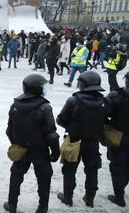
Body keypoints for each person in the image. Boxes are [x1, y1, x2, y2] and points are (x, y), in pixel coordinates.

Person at [3, 74, 60, 213]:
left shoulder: (15, 105)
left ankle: (12, 204)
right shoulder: (44, 107)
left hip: (21, 148)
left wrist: (16, 143)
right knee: (44, 177)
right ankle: (43, 206)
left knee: (16, 175)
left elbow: (9, 130)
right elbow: (51, 134)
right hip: (40, 149)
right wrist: (55, 152)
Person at [56, 71, 109, 208]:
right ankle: (90, 198)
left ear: (83, 84)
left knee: (69, 169)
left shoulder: (73, 100)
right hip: (93, 141)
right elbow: (106, 119)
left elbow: (60, 119)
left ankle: (68, 197)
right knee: (92, 170)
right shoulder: (104, 102)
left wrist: (72, 127)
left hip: (74, 140)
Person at [105, 72, 129, 207]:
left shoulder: (117, 95)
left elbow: (106, 112)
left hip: (119, 135)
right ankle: (122, 185)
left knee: (117, 166)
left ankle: (119, 196)